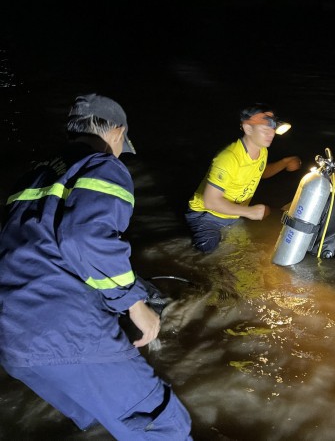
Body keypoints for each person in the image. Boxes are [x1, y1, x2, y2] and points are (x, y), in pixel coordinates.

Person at [0, 94, 193, 440]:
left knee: (102, 421)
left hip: (13, 338)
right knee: (164, 426)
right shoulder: (102, 165)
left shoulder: (33, 176)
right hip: (63, 332)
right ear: (117, 132)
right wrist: (135, 306)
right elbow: (82, 239)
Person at [185, 103, 301, 253]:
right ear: (248, 129)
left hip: (232, 214)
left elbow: (260, 172)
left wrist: (284, 162)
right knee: (210, 252)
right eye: (264, 129)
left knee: (243, 251)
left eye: (272, 129)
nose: (271, 134)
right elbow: (210, 201)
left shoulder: (262, 150)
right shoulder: (228, 158)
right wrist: (250, 212)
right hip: (205, 215)